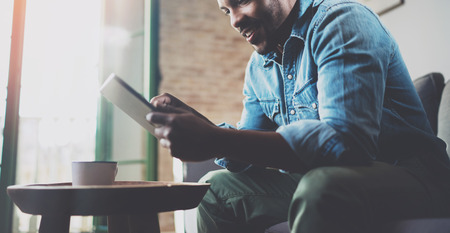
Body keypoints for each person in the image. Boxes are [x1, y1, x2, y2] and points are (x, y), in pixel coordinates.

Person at [146, 0, 450, 232]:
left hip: (414, 175)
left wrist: (215, 140)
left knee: (322, 185)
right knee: (216, 190)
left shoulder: (342, 21)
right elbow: (243, 151)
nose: (235, 20)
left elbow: (348, 143)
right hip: (322, 176)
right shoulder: (258, 68)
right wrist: (203, 127)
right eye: (226, 11)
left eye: (242, 0)